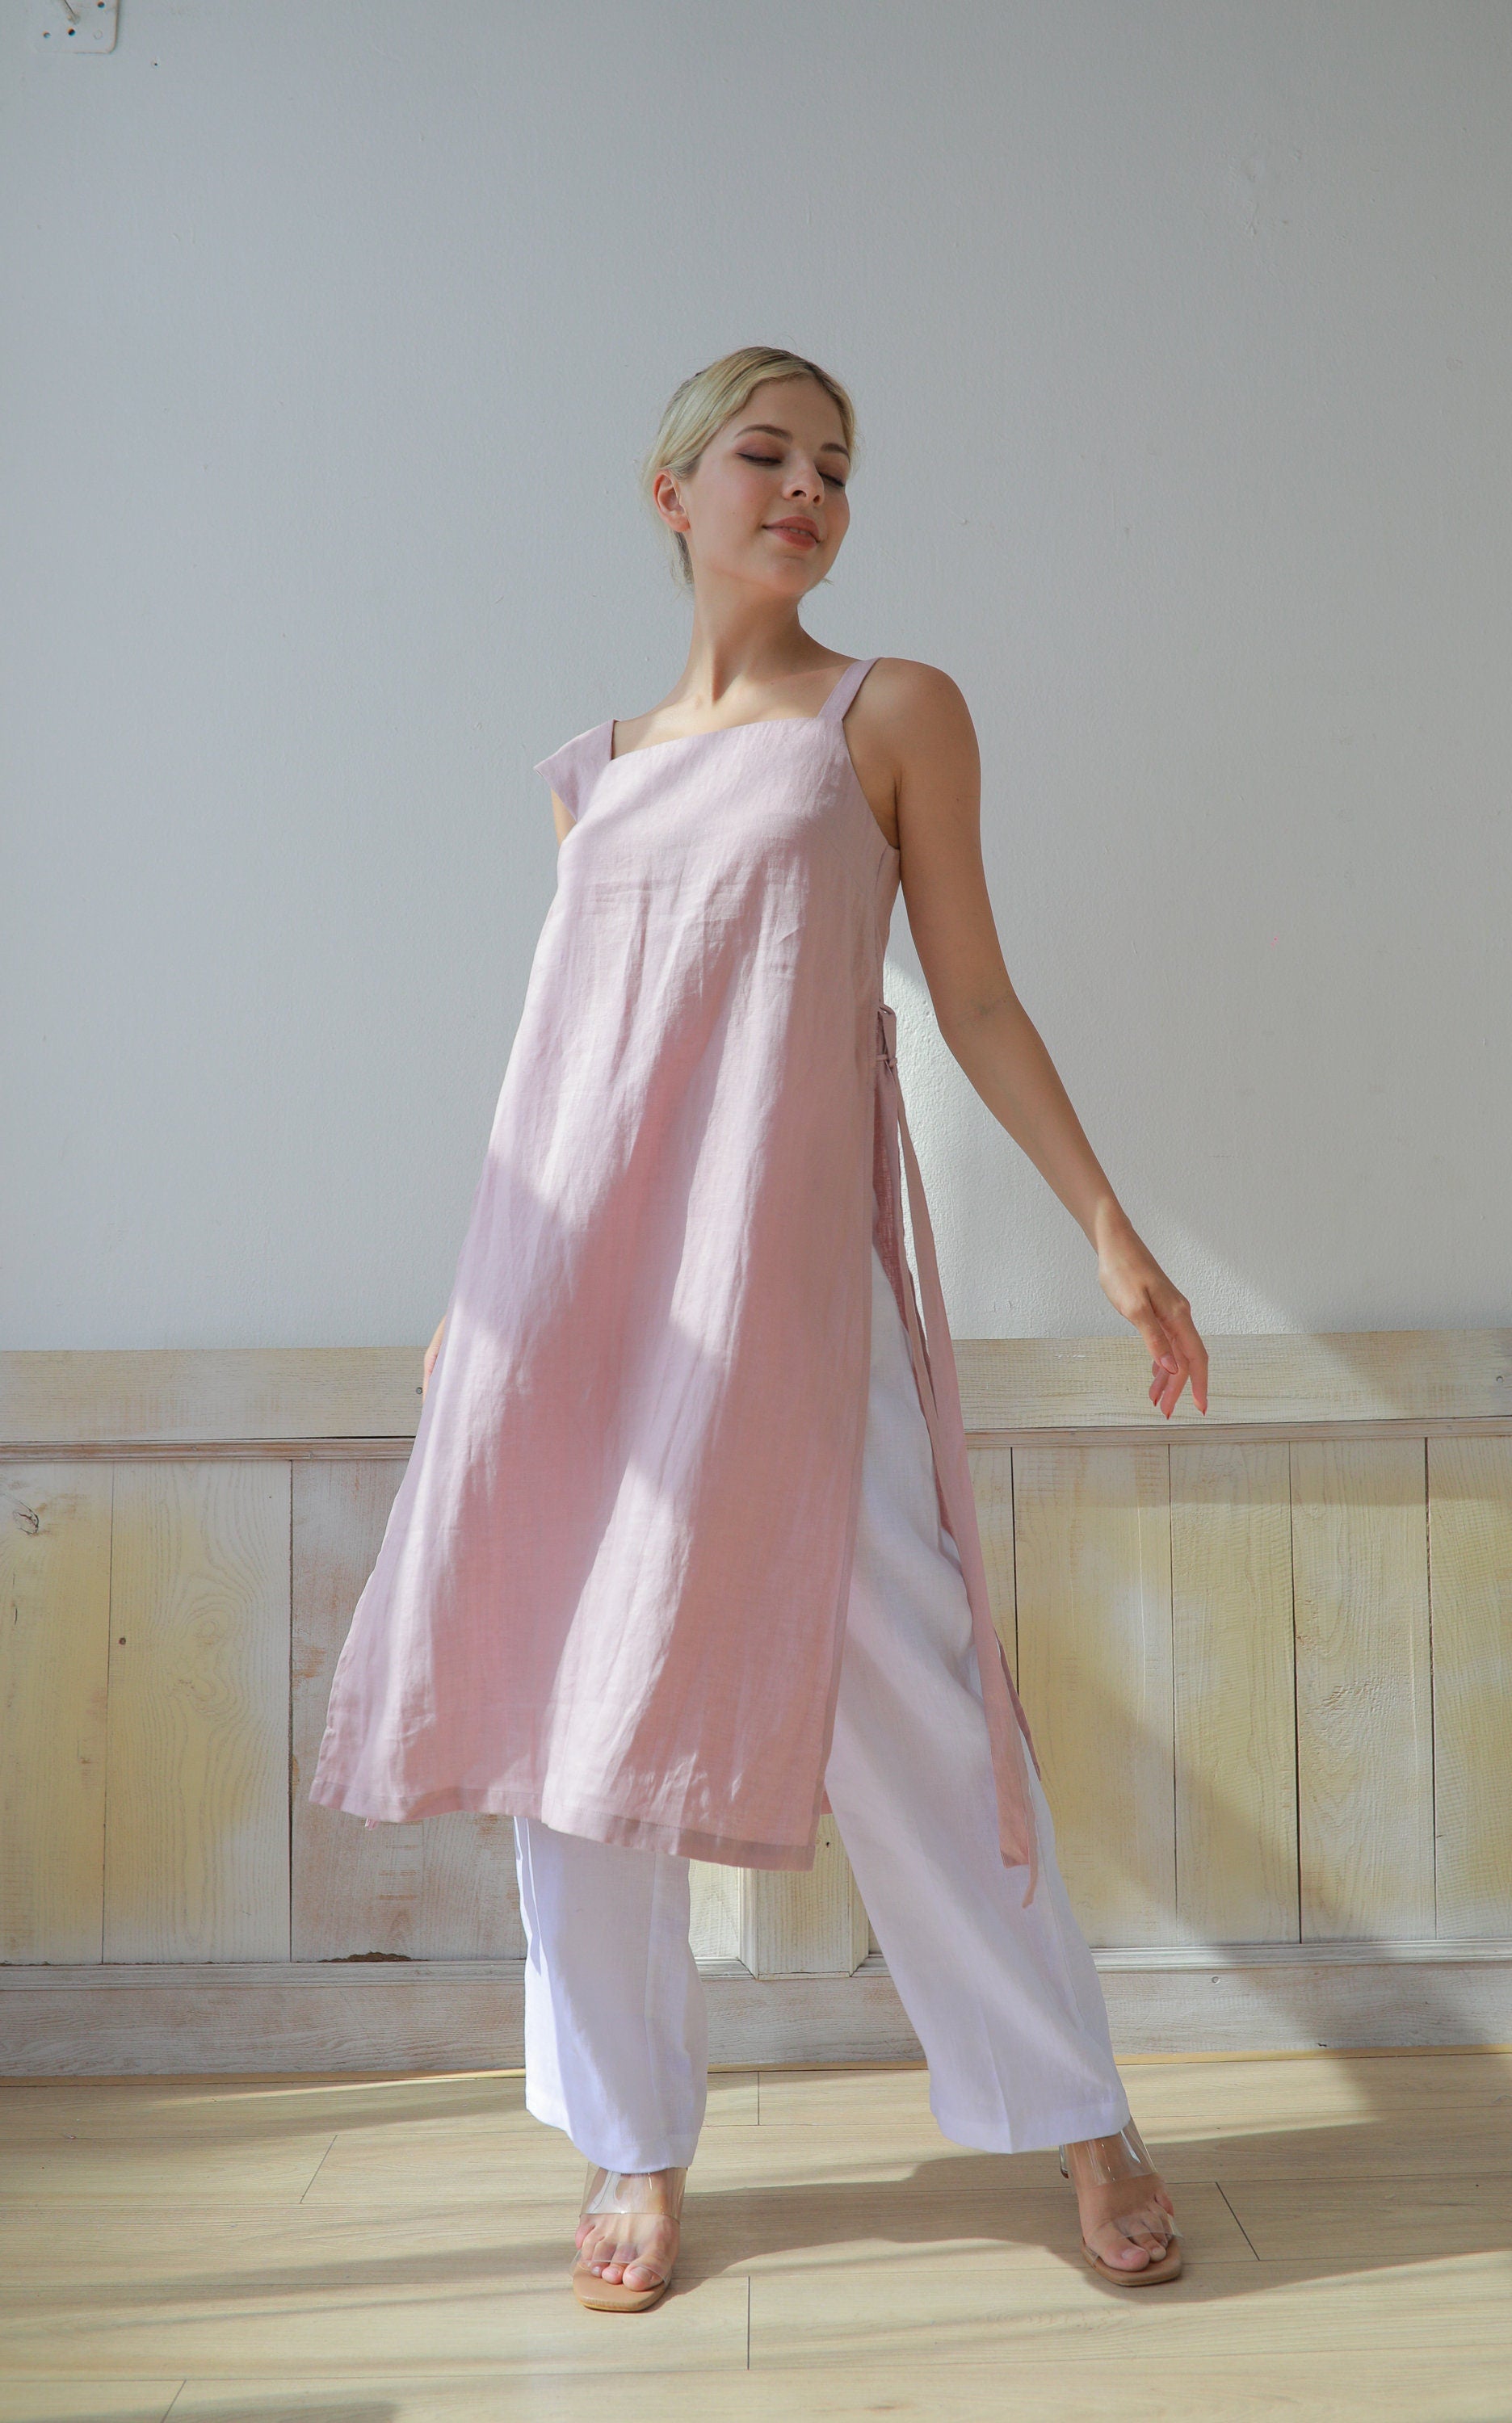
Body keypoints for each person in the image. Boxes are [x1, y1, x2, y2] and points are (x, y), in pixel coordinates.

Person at [310, 345, 1210, 2312]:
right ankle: (631, 2145)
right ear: (674, 495)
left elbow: (968, 995)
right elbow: (557, 1078)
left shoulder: (888, 717)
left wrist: (1109, 1226)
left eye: (834, 468)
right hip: (577, 1314)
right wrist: (479, 1318)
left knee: (918, 1698)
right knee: (574, 1724)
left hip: (787, 1300)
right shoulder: (597, 775)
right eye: (764, 455)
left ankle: (1080, 2112)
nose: (805, 490)